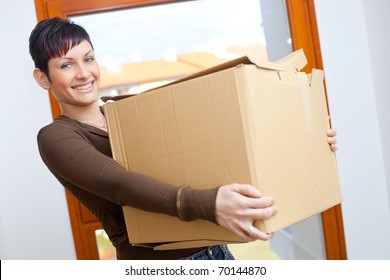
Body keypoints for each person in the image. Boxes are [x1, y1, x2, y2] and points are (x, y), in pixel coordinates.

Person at [29, 17, 338, 260]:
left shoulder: (128, 114)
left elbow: (220, 143)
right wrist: (209, 203)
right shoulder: (56, 138)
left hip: (213, 252)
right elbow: (119, 184)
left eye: (89, 58)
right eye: (66, 65)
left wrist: (305, 139)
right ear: (43, 77)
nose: (84, 73)